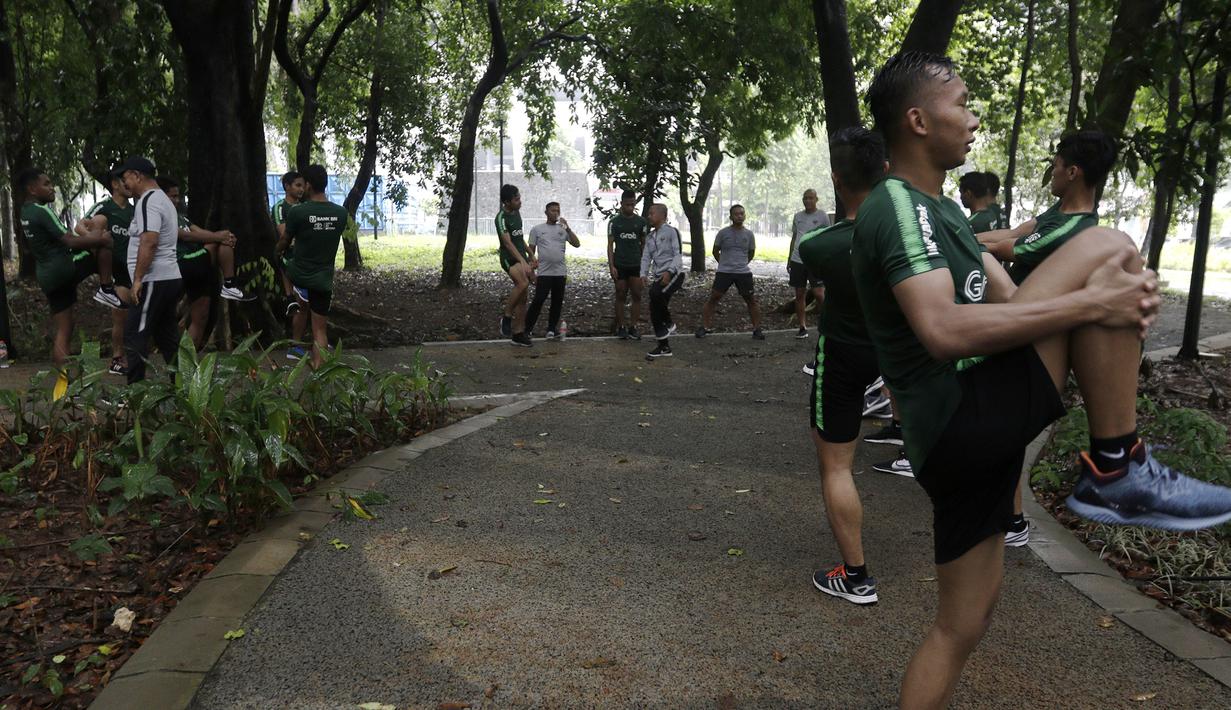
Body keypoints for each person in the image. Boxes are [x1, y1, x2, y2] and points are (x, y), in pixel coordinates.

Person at [853, 52, 1231, 709]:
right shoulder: (897, 205)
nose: (973, 118)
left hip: (966, 431)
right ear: (916, 120)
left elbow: (1007, 304)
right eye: (962, 103)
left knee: (959, 626)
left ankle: (1117, 464)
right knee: (1106, 247)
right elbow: (942, 331)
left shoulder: (940, 212)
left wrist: (1094, 307)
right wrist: (1091, 306)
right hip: (959, 415)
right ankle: (1116, 466)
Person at [798, 127, 888, 605]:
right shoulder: (908, 235)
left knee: (836, 465)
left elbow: (820, 287)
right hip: (898, 354)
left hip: (844, 354)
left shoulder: (822, 245)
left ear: (836, 179)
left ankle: (856, 577)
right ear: (887, 172)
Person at [17, 168, 121, 374]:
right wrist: (99, 238)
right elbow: (69, 239)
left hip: (46, 277)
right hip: (64, 269)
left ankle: (63, 382)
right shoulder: (41, 211)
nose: (51, 187)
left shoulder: (25, 212)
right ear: (32, 189)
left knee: (65, 328)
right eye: (46, 184)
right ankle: (107, 286)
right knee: (101, 245)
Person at [979, 131, 1112, 285]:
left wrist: (953, 242)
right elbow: (1014, 232)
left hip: (1017, 305)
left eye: (1054, 166)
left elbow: (996, 249)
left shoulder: (1065, 231)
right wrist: (965, 237)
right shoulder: (1066, 209)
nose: (1052, 173)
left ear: (1072, 172)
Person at [157, 177, 247, 350]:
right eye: (172, 196)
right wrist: (219, 237)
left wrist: (223, 235)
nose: (176, 201)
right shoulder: (159, 216)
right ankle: (230, 283)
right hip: (180, 263)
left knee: (201, 315)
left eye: (177, 197)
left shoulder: (181, 218)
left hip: (197, 264)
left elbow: (199, 231)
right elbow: (185, 236)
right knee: (218, 242)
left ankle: (188, 363)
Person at [118, 156, 183, 384]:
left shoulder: (149, 201)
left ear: (138, 176)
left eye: (126, 179)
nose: (125, 185)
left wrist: (137, 280)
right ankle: (185, 389)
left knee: (135, 335)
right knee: (167, 338)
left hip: (154, 279)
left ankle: (135, 394)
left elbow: (150, 241)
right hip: (168, 277)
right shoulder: (162, 200)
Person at [278, 164, 348, 368]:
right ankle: (319, 369)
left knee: (283, 265)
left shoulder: (298, 212)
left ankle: (289, 298)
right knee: (320, 330)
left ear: (308, 185)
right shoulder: (341, 213)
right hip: (323, 279)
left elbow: (284, 241)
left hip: (299, 275)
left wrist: (276, 251)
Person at [79, 169, 134, 375]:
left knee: (134, 317)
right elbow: (80, 227)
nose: (128, 184)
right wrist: (97, 241)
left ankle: (134, 357)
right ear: (114, 184)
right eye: (124, 180)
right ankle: (117, 359)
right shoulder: (104, 207)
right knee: (120, 316)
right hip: (117, 273)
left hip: (135, 271)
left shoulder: (134, 211)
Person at [697, 205, 763, 340]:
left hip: (743, 272)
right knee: (714, 298)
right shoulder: (723, 233)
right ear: (731, 217)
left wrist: (742, 264)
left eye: (742, 213)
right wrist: (723, 263)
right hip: (724, 272)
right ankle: (704, 327)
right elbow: (715, 250)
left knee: (751, 300)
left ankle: (757, 329)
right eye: (736, 214)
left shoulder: (749, 234)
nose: (739, 216)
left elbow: (751, 253)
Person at [525, 202, 580, 339]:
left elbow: (577, 243)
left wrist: (568, 228)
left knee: (557, 301)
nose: (555, 213)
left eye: (558, 210)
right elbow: (530, 253)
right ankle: (527, 329)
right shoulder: (537, 229)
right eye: (552, 210)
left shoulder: (562, 229)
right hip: (544, 272)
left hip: (560, 272)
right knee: (538, 300)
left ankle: (551, 329)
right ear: (546, 212)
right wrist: (531, 272)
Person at [641, 204, 684, 359]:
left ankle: (670, 323)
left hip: (674, 274)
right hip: (659, 276)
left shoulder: (672, 232)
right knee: (654, 308)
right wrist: (643, 274)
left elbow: (678, 255)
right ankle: (664, 346)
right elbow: (646, 257)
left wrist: (669, 272)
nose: (649, 216)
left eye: (651, 213)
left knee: (655, 294)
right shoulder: (650, 237)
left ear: (662, 215)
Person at [787, 189, 831, 338]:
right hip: (797, 259)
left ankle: (828, 325)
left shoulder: (822, 216)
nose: (807, 201)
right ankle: (802, 327)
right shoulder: (798, 216)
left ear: (816, 199)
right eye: (805, 198)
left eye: (810, 198)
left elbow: (827, 238)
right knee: (799, 294)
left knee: (819, 293)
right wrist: (789, 259)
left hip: (814, 259)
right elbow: (794, 237)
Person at [495, 184, 535, 347]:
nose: (520, 202)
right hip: (509, 258)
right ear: (507, 202)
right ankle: (506, 315)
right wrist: (523, 262)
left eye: (519, 198)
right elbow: (508, 243)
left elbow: (519, 238)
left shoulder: (517, 213)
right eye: (516, 199)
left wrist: (531, 254)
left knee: (523, 297)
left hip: (521, 256)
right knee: (523, 283)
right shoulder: (501, 218)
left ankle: (518, 334)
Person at [607, 189, 648, 340]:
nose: (630, 207)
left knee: (637, 295)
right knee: (620, 294)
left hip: (636, 265)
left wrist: (644, 268)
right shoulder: (614, 222)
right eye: (627, 204)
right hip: (620, 264)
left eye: (632, 204)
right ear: (622, 203)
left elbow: (645, 245)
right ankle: (621, 326)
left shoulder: (641, 222)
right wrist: (611, 266)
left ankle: (633, 326)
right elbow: (610, 246)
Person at [272, 171, 306, 317]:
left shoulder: (305, 207)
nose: (301, 189)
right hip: (289, 252)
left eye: (303, 186)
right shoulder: (280, 207)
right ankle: (290, 297)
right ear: (287, 186)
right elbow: (284, 234)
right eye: (298, 185)